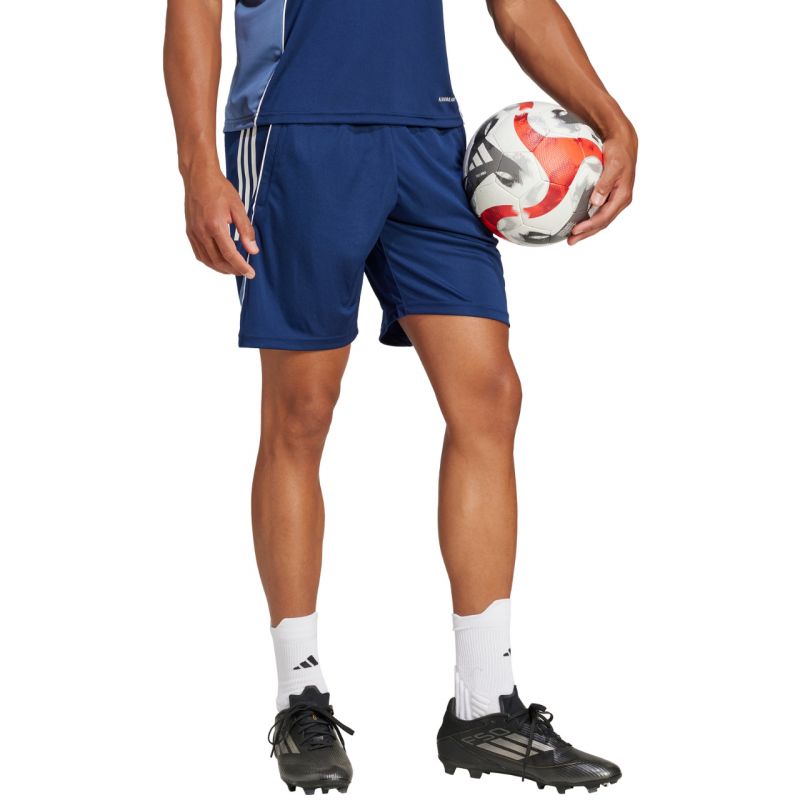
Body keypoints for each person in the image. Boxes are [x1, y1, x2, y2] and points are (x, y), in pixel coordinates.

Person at [164, 0, 637, 794]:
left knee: (489, 396)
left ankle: (484, 707)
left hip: (428, 137)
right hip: (297, 130)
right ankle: (302, 699)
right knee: (301, 413)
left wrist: (615, 123)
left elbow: (518, 6)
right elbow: (194, 8)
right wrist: (197, 168)